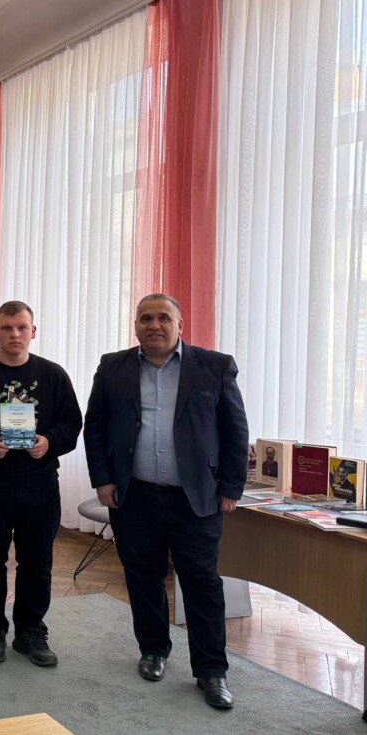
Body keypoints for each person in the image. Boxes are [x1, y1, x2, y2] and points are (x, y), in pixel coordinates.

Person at [84, 294, 249, 710]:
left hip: (195, 497)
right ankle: (154, 649)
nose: (153, 325)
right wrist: (102, 479)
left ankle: (211, 670)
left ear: (180, 324)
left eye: (163, 318)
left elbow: (235, 430)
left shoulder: (214, 366)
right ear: (135, 325)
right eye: (145, 318)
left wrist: (231, 487)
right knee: (143, 577)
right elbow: (96, 427)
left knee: (202, 582)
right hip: (134, 494)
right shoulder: (113, 366)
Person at [0, 301, 81, 668]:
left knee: (37, 560)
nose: (14, 334)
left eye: (21, 328)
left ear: (33, 331)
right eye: (7, 328)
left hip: (39, 483)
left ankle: (30, 630)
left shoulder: (53, 375)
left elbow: (72, 423)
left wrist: (50, 441)